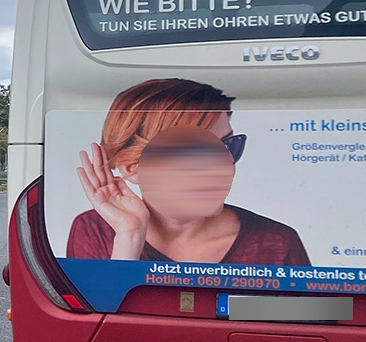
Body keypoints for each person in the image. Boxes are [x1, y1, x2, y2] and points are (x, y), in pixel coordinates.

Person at [68, 78, 307, 264]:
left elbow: (306, 314)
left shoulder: (277, 243)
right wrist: (129, 239)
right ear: (133, 168)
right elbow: (100, 315)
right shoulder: (94, 232)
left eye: (228, 146)